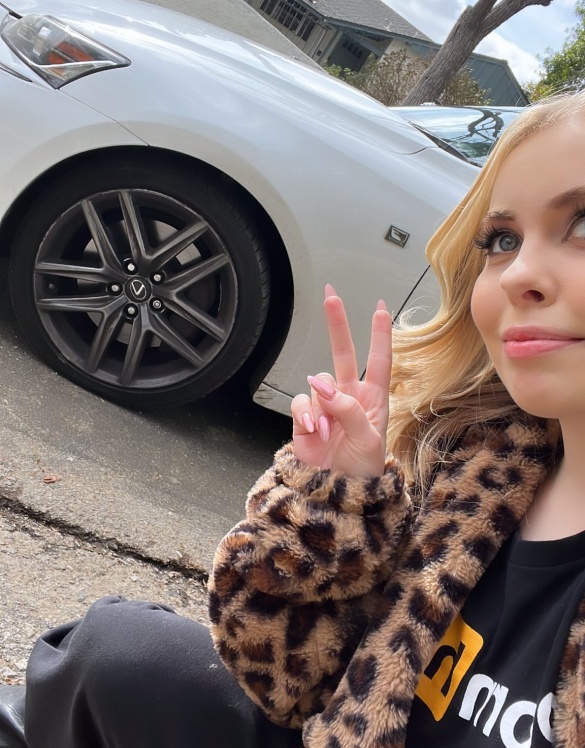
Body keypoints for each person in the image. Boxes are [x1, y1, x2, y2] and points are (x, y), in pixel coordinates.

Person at [2, 90, 585, 748]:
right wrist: (330, 514)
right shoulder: (470, 464)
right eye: (502, 240)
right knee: (116, 655)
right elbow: (290, 687)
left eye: (582, 224)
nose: (518, 274)